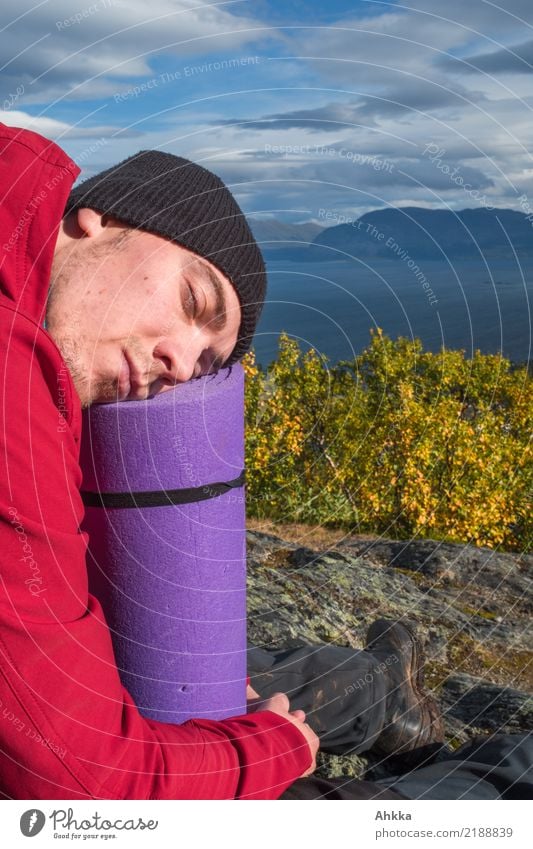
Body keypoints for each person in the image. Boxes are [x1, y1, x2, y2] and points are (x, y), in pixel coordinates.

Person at [0, 121, 529, 800]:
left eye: (205, 365)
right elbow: (79, 779)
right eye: (193, 301)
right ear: (94, 222)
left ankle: (373, 689)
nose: (178, 366)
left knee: (176, 674)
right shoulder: (16, 384)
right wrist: (271, 749)